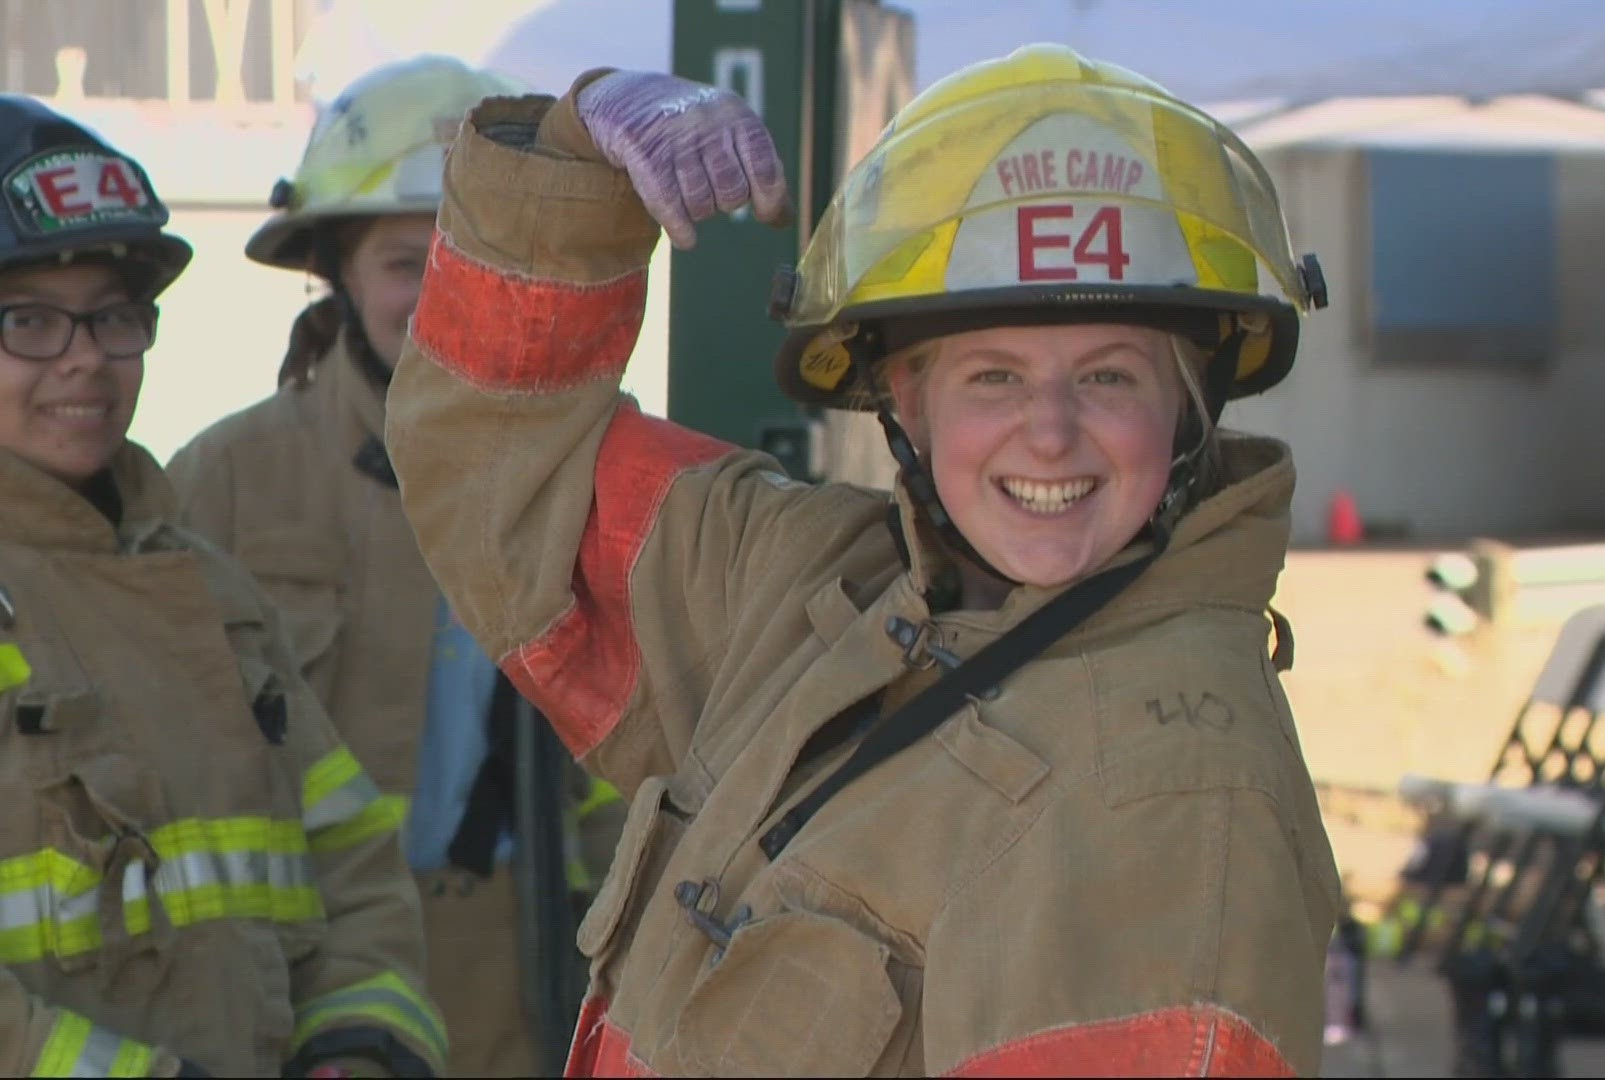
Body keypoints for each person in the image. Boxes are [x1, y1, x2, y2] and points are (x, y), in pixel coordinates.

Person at [386, 43, 1342, 1077]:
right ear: (905, 403)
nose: (1051, 432)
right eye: (993, 377)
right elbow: (498, 471)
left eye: (1109, 377)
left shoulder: (1169, 793)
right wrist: (571, 162)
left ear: (1189, 412)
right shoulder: (811, 588)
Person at [166, 55, 627, 1077]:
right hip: (310, 981)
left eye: (475, 259)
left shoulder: (588, 483)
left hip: (536, 976)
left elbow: (635, 769)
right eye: (405, 262)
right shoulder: (220, 485)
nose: (442, 300)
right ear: (332, 270)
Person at [0, 95, 443, 1077]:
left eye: (114, 317)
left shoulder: (209, 587)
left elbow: (353, 862)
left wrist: (360, 1044)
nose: (84, 358)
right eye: (29, 320)